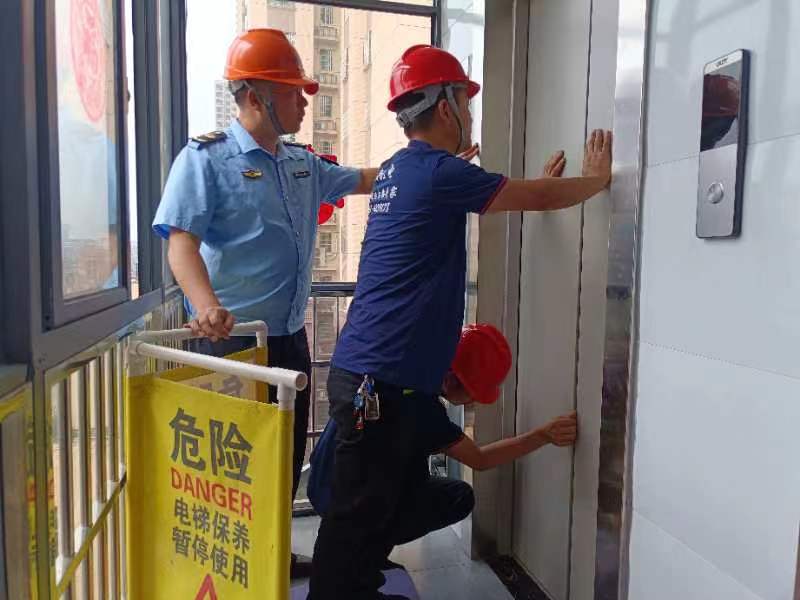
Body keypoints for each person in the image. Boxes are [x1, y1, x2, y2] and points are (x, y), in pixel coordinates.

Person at [308, 44, 612, 600]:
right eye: (466, 102)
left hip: (371, 376)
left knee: (366, 510)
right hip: (384, 383)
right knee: (354, 521)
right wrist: (593, 182)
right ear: (447, 106)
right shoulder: (438, 174)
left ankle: (356, 587)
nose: (470, 112)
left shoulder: (400, 170)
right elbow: (538, 197)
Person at [151, 29, 380, 578]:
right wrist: (205, 305)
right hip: (231, 344)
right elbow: (180, 241)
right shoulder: (206, 160)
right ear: (255, 96)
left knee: (283, 458)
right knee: (231, 469)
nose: (305, 101)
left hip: (289, 340)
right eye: (293, 92)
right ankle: (229, 575)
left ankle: (272, 559)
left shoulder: (302, 164)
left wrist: (429, 167)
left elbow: (361, 179)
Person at [307, 324, 577, 571]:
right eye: (473, 392)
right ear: (449, 380)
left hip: (323, 482)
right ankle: (367, 551)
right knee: (457, 496)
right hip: (347, 501)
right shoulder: (423, 410)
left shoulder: (397, 371)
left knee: (411, 468)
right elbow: (480, 460)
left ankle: (365, 547)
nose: (473, 401)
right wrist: (543, 435)